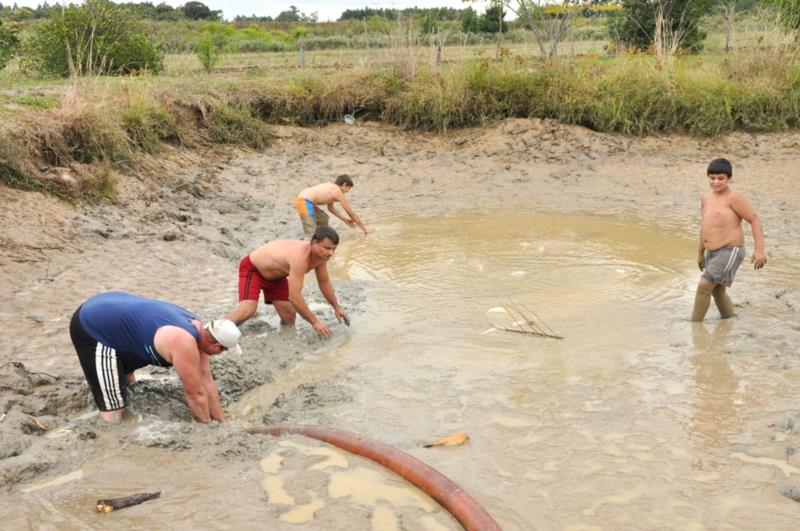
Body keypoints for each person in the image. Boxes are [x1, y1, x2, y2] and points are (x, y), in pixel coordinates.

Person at [69, 291, 241, 423]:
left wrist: (221, 422)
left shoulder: (199, 330)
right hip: (92, 324)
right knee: (113, 405)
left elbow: (206, 382)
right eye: (223, 350)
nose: (221, 354)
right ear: (217, 346)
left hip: (115, 316)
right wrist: (208, 428)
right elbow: (196, 395)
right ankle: (110, 444)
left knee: (127, 384)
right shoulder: (183, 341)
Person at [225, 226, 350, 338]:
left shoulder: (322, 257)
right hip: (253, 269)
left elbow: (324, 282)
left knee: (289, 315)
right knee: (248, 310)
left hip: (276, 277)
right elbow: (294, 296)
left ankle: (284, 341)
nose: (331, 253)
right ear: (314, 243)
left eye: (334, 249)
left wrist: (336, 307)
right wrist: (315, 322)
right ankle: (215, 331)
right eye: (327, 248)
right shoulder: (300, 257)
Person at [691, 158, 766, 322]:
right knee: (717, 291)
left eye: (720, 178)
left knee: (704, 286)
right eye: (712, 178)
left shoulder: (734, 198)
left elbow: (754, 219)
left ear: (729, 178)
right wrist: (700, 252)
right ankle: (729, 320)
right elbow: (704, 226)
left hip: (730, 250)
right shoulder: (705, 198)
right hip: (712, 252)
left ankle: (694, 326)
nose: (715, 182)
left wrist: (759, 250)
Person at [295, 174, 369, 236]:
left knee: (324, 218)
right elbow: (351, 214)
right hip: (305, 202)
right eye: (348, 188)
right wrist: (365, 230)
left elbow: (330, 208)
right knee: (310, 234)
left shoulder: (331, 188)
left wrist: (345, 220)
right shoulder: (337, 191)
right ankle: (308, 245)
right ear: (344, 184)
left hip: (307, 200)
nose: (348, 191)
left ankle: (319, 240)